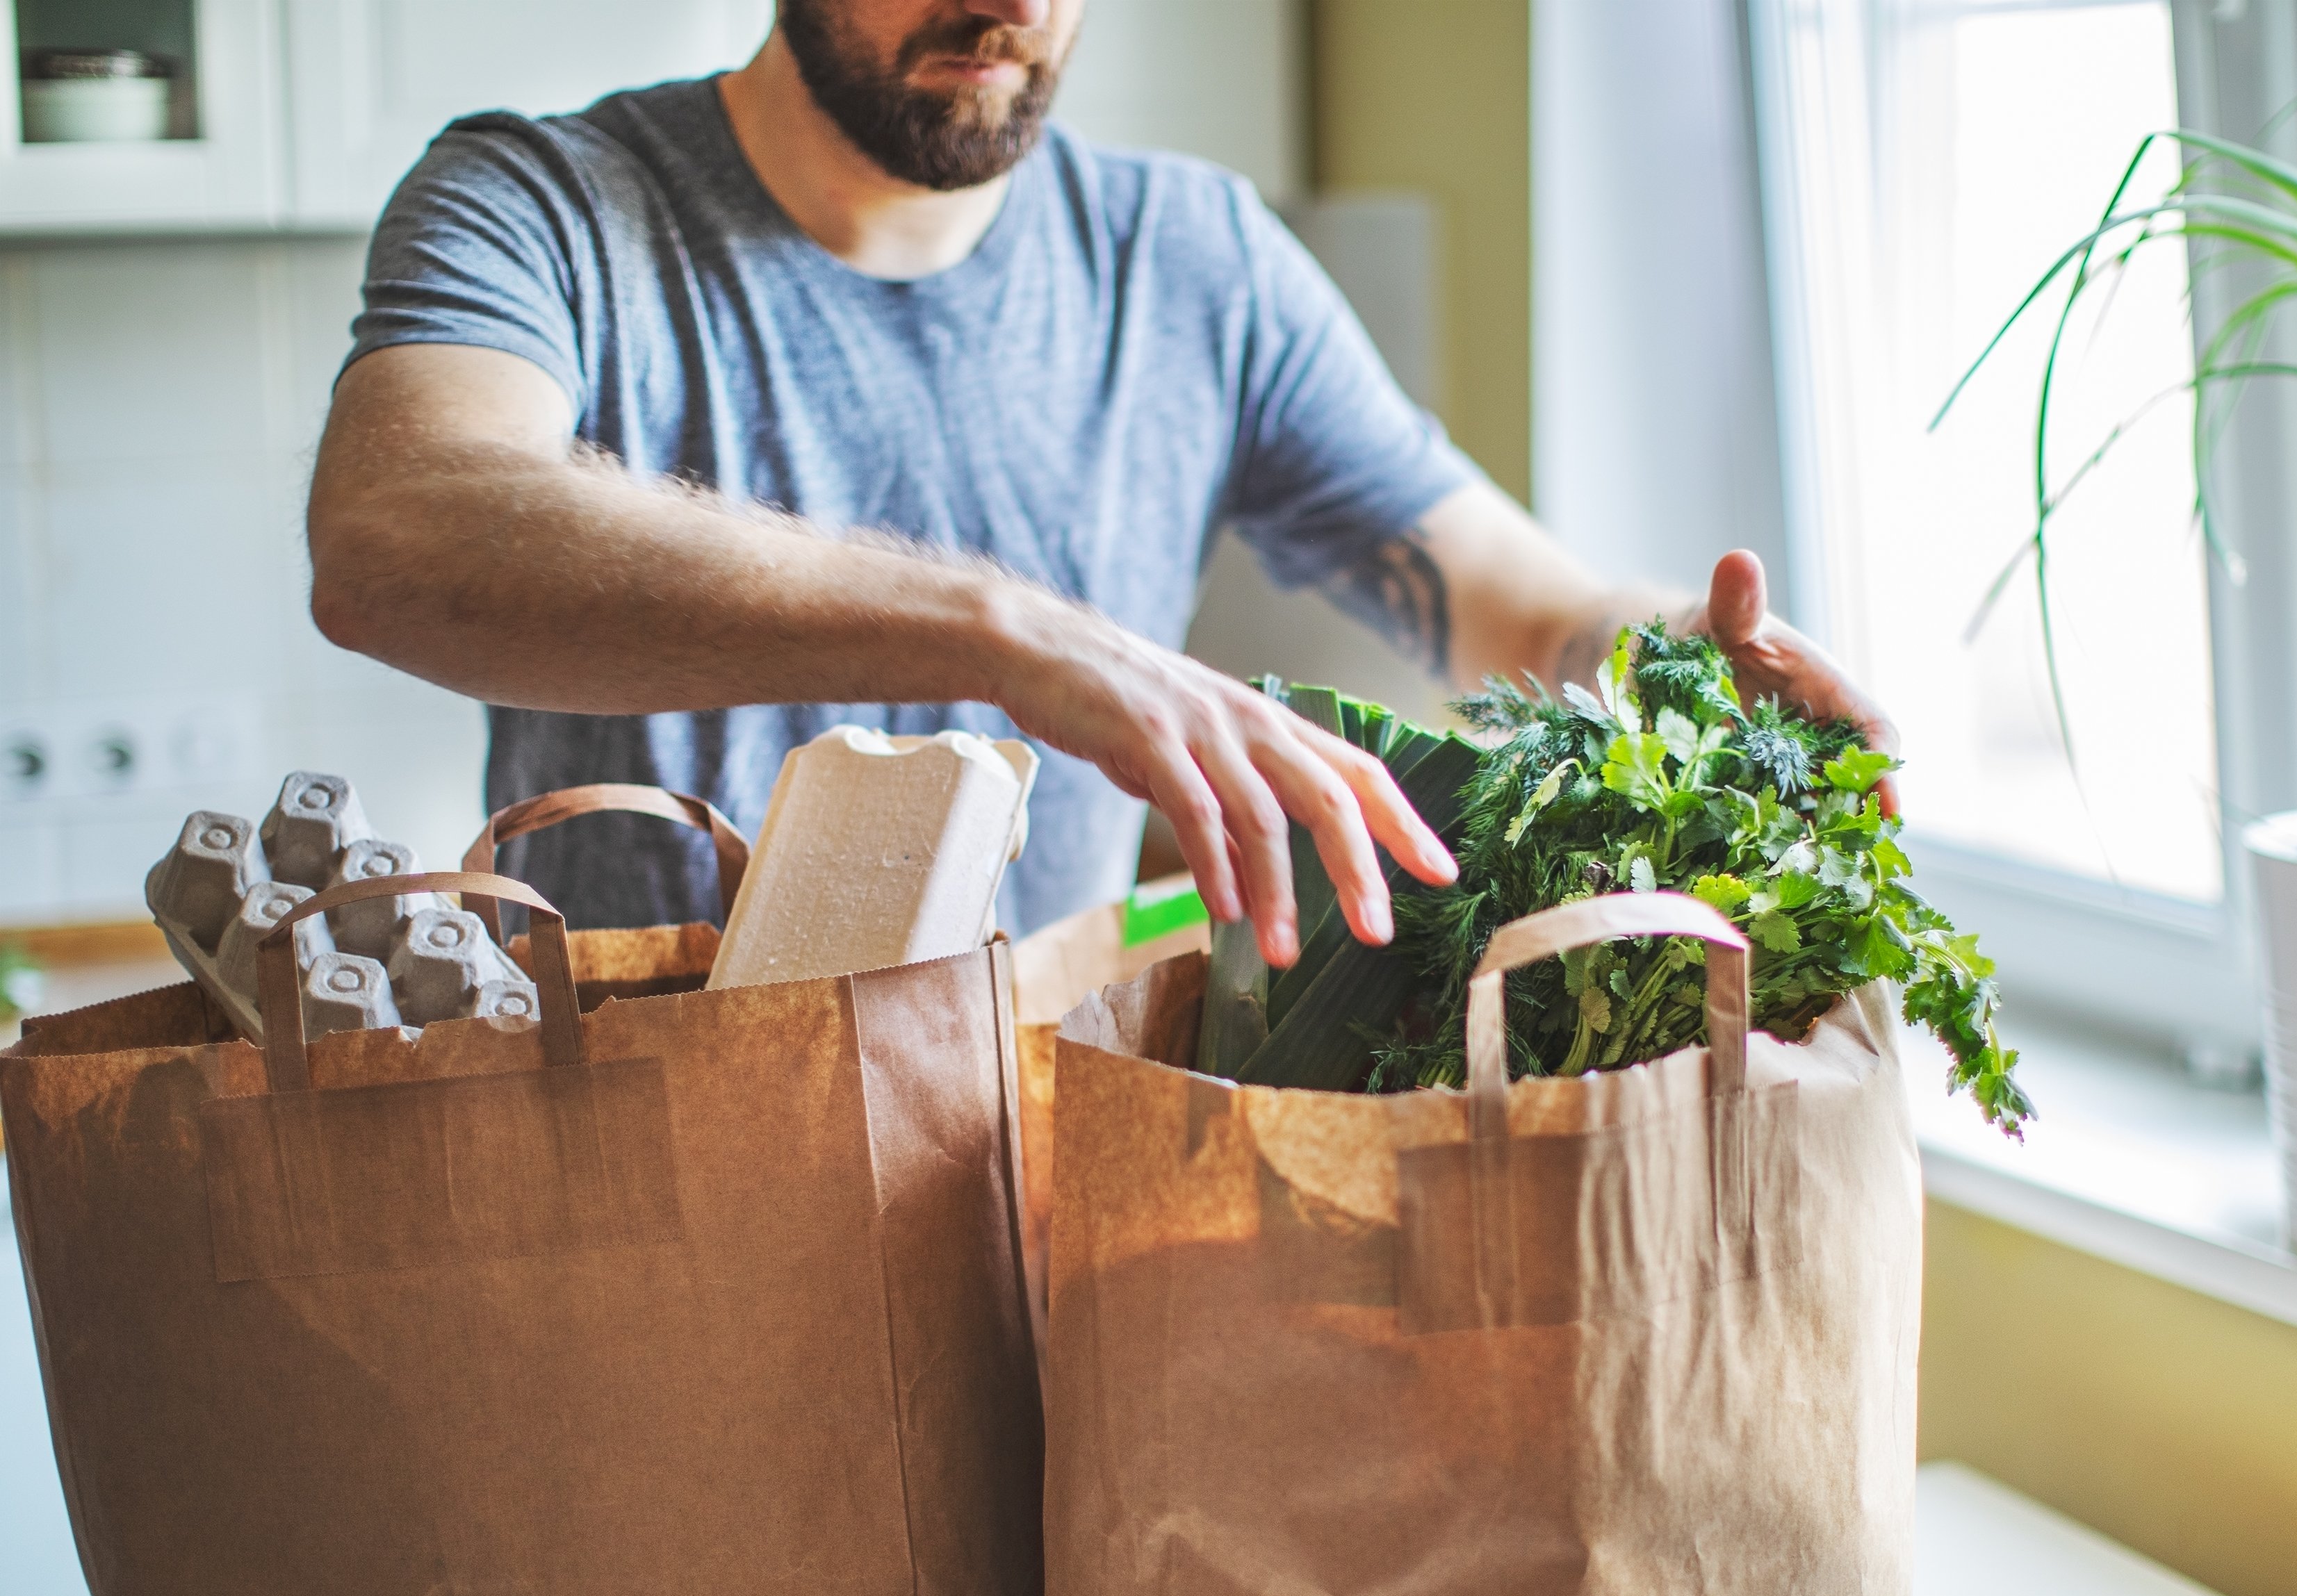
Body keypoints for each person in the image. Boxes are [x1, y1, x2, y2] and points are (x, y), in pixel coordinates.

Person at [306, 0, 1898, 966]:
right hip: (626, 1153)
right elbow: (394, 534)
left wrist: (1687, 659)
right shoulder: (541, 202)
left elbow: (1517, 604)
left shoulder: (1191, 260)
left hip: (1035, 1143)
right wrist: (1001, 632)